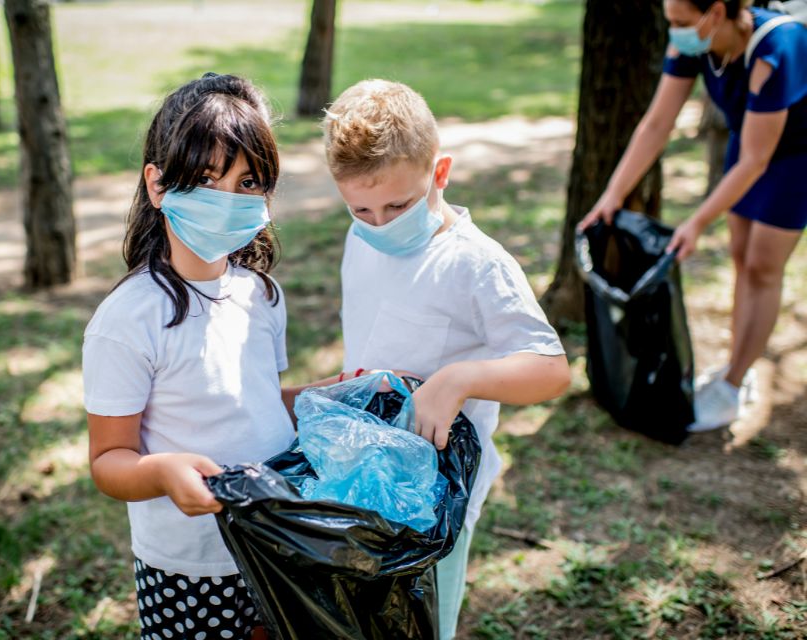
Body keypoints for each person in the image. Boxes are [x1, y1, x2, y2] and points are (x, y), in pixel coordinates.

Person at [322, 79, 572, 640]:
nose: (381, 223)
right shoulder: (361, 236)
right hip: (365, 478)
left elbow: (551, 369)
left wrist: (459, 378)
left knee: (422, 625)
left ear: (440, 173)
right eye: (361, 207)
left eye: (399, 205)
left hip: (437, 501)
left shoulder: (476, 265)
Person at [84, 73, 309, 640]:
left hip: (274, 543)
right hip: (189, 568)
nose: (228, 201)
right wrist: (162, 470)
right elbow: (109, 459)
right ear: (158, 185)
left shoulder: (261, 295)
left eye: (248, 183)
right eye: (209, 180)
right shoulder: (128, 319)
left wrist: (331, 394)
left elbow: (255, 401)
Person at [580, 0, 807, 432]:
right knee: (741, 256)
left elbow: (758, 161)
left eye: (680, 22)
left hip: (795, 156)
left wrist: (697, 221)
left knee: (762, 266)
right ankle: (735, 371)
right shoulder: (692, 45)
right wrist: (613, 193)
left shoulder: (779, 46)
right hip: (751, 142)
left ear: (716, 12)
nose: (674, 31)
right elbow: (657, 124)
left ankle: (735, 383)